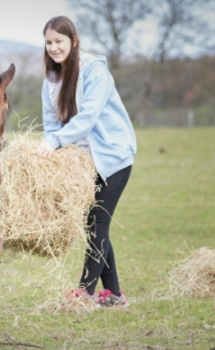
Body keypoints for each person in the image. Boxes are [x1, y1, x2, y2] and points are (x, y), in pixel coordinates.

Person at [36, 15, 137, 307]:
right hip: (83, 162)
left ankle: (85, 292)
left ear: (74, 41)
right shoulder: (51, 82)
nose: (54, 47)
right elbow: (51, 126)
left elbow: (88, 118)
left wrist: (55, 141)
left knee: (97, 224)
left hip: (113, 155)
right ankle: (115, 294)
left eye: (59, 41)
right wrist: (50, 148)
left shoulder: (94, 71)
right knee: (95, 224)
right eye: (49, 42)